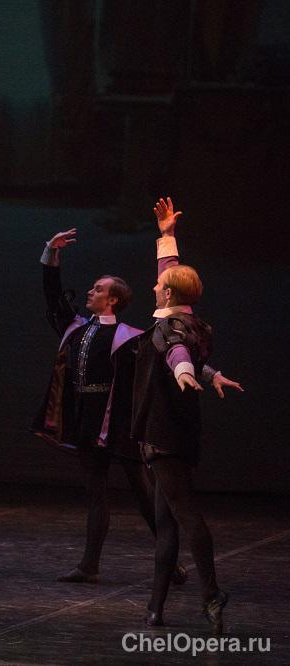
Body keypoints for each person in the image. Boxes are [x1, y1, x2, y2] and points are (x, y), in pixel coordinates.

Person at [32, 227, 238, 585]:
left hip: (120, 422)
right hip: (86, 421)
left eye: (98, 289)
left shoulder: (130, 337)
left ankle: (169, 562)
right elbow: (52, 296)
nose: (90, 292)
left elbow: (171, 353)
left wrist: (211, 374)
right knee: (95, 492)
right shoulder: (76, 328)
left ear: (112, 300)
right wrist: (51, 252)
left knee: (144, 495)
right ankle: (89, 565)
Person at [135, 197, 241, 634]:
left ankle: (211, 594)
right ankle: (155, 609)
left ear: (168, 294)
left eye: (161, 284)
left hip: (164, 435)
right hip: (174, 432)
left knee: (184, 515)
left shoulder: (171, 328)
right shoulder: (189, 320)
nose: (155, 284)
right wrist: (167, 236)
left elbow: (177, 353)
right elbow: (172, 278)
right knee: (166, 524)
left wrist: (185, 373)